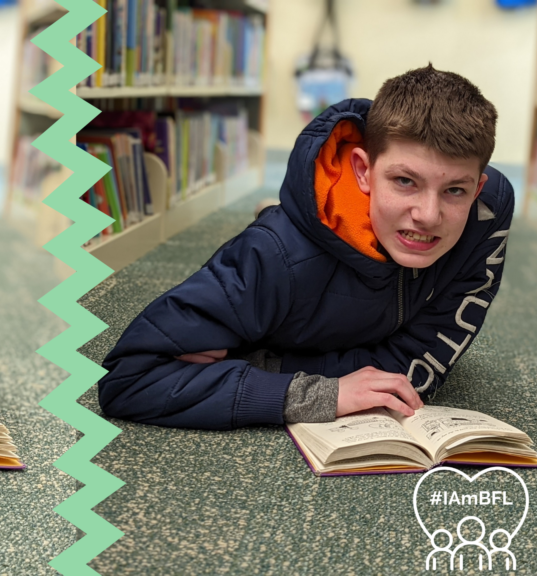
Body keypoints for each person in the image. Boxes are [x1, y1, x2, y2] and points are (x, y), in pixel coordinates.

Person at [97, 64, 513, 430]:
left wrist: (267, 364)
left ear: (476, 187)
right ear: (363, 171)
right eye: (405, 181)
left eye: (455, 190)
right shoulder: (272, 256)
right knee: (280, 263)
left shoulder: (489, 208)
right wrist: (316, 393)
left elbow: (413, 368)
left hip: (328, 307)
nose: (428, 214)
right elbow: (130, 378)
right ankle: (283, 213)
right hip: (292, 265)